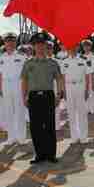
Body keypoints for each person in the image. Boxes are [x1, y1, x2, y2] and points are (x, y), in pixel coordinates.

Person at [21, 32, 64, 164]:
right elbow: (24, 81)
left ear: (46, 46)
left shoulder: (52, 63)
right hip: (34, 97)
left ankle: (51, 155)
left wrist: (59, 95)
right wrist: (24, 97)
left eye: (42, 44)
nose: (40, 47)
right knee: (36, 127)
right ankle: (39, 155)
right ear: (33, 47)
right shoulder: (28, 63)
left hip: (48, 96)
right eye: (37, 45)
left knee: (49, 125)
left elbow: (59, 79)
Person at [60, 46, 92, 144]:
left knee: (82, 113)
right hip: (69, 87)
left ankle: (83, 137)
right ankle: (74, 137)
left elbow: (87, 76)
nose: (72, 49)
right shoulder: (64, 61)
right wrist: (63, 91)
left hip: (80, 86)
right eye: (70, 47)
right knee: (71, 113)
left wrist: (87, 90)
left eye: (74, 47)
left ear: (77, 47)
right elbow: (62, 77)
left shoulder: (84, 60)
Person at [0, 33, 27, 146]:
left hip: (18, 84)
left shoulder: (22, 56)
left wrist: (25, 89)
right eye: (7, 41)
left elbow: (26, 74)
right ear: (4, 43)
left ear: (15, 43)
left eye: (12, 41)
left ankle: (21, 137)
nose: (10, 43)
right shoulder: (1, 57)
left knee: (19, 111)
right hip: (6, 84)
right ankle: (11, 137)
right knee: (8, 112)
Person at [81, 39, 94, 114]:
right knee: (85, 92)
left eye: (88, 45)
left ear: (90, 47)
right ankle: (87, 109)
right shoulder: (81, 57)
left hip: (92, 76)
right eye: (84, 46)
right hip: (83, 77)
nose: (86, 47)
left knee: (93, 92)